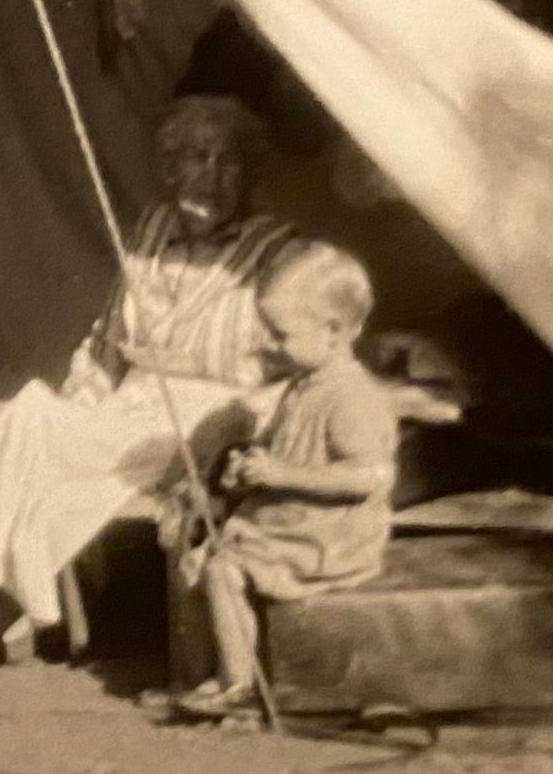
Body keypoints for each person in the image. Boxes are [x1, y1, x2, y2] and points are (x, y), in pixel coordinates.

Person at [0, 93, 295, 666]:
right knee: (19, 423)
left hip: (204, 418)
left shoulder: (274, 252)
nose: (212, 177)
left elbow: (290, 360)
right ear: (171, 167)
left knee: (82, 476)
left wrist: (234, 413)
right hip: (131, 399)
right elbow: (107, 338)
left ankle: (5, 622)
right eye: (197, 158)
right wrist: (86, 393)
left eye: (229, 163)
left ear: (249, 175)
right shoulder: (153, 229)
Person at [171, 240, 399, 719]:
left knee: (220, 571)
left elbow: (371, 476)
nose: (271, 344)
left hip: (331, 534)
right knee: (195, 562)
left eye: (281, 334)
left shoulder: (352, 397)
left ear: (333, 331)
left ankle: (238, 684)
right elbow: (286, 446)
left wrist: (282, 473)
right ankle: (198, 677)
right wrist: (250, 467)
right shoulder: (303, 383)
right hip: (293, 519)